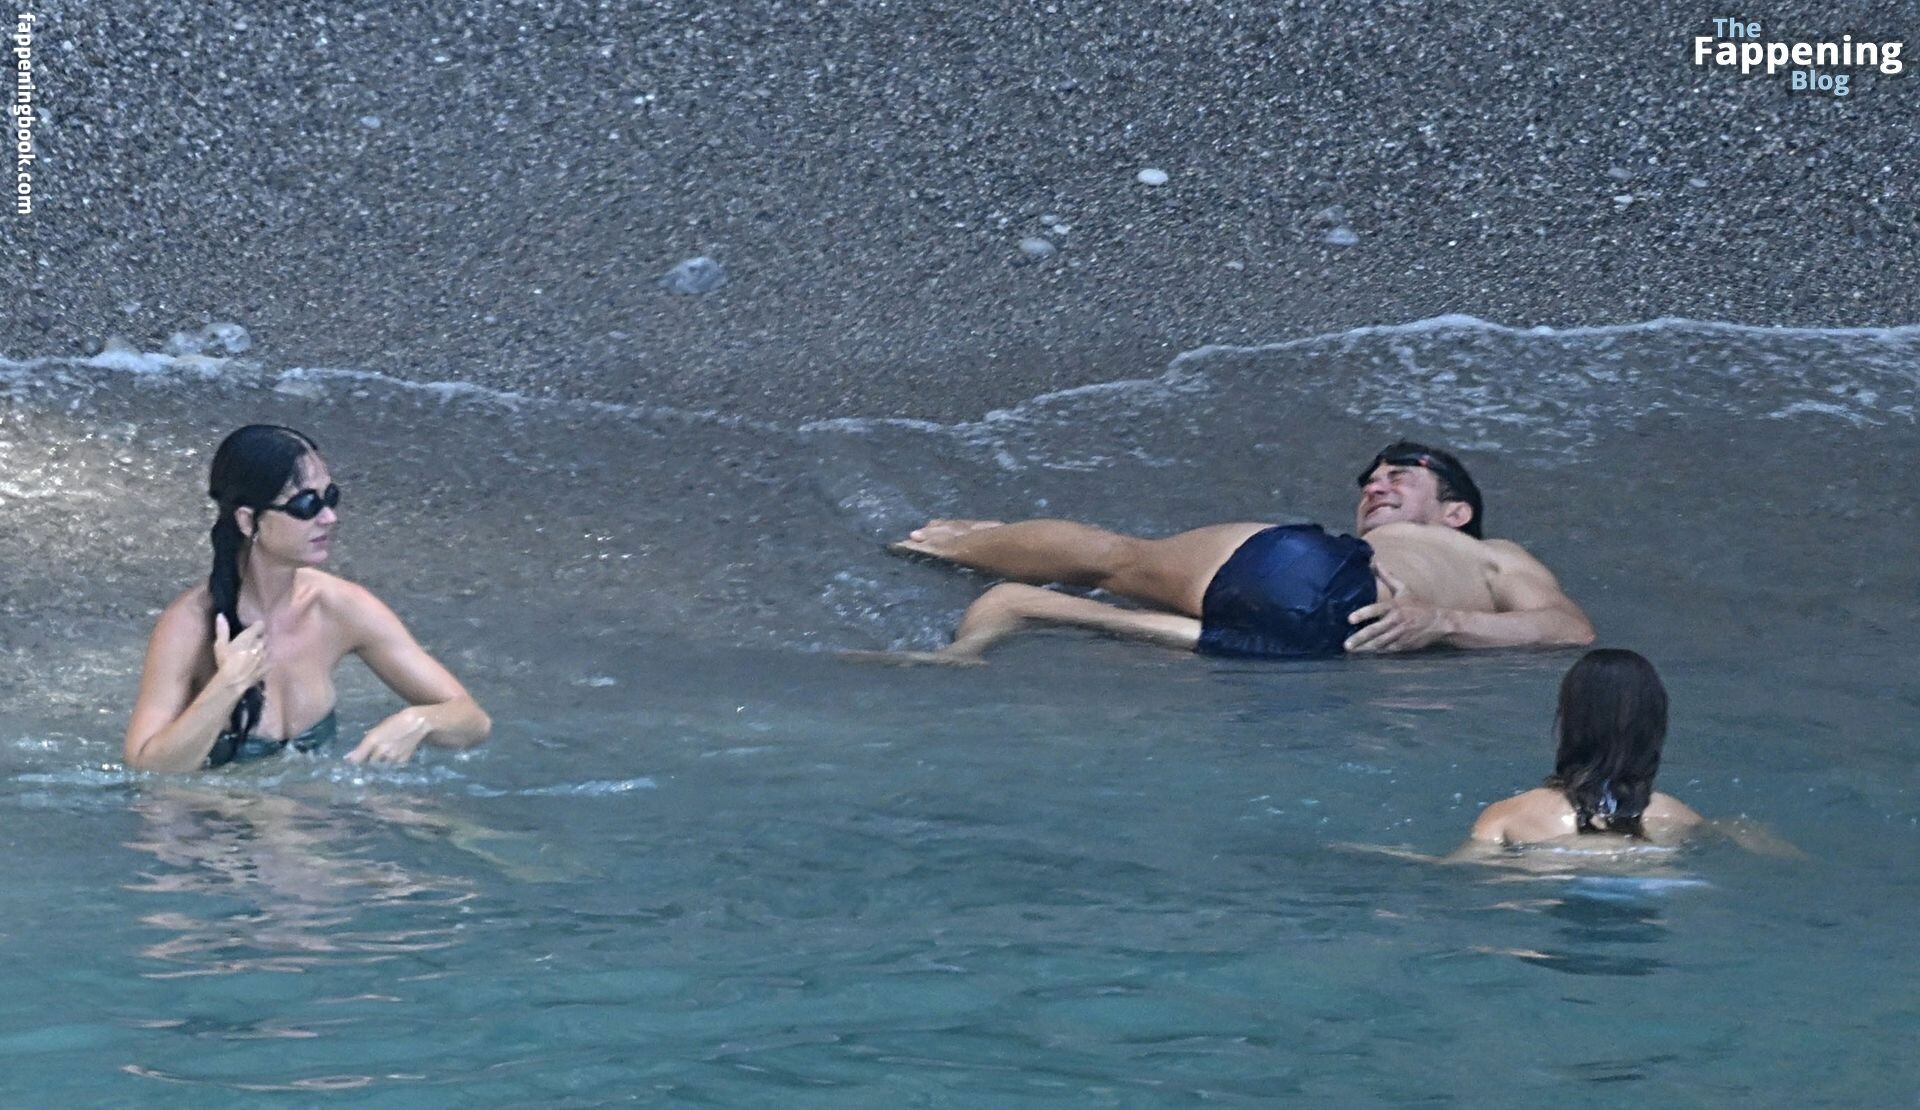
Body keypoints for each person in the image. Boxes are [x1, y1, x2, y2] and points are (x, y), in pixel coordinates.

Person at [880, 441, 1594, 663]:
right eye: (1369, 480)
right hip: (1317, 624)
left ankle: (964, 544)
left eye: (1400, 477)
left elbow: (1568, 627)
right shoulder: (1405, 552)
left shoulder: (1493, 552)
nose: (1376, 485)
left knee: (1119, 558)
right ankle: (991, 580)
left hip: (1322, 585)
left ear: (1456, 512)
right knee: (1120, 576)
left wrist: (1443, 621)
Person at [124, 425, 490, 771]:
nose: (329, 517)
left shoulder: (339, 607)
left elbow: (473, 720)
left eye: (330, 497)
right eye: (305, 505)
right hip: (215, 813)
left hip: (314, 809)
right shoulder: (190, 625)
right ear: (248, 521)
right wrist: (227, 686)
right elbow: (146, 767)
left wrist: (420, 721)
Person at [1465, 649, 1702, 849]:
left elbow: (1464, 870)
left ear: (1568, 722)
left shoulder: (1509, 817)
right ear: (1654, 727)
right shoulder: (1682, 820)